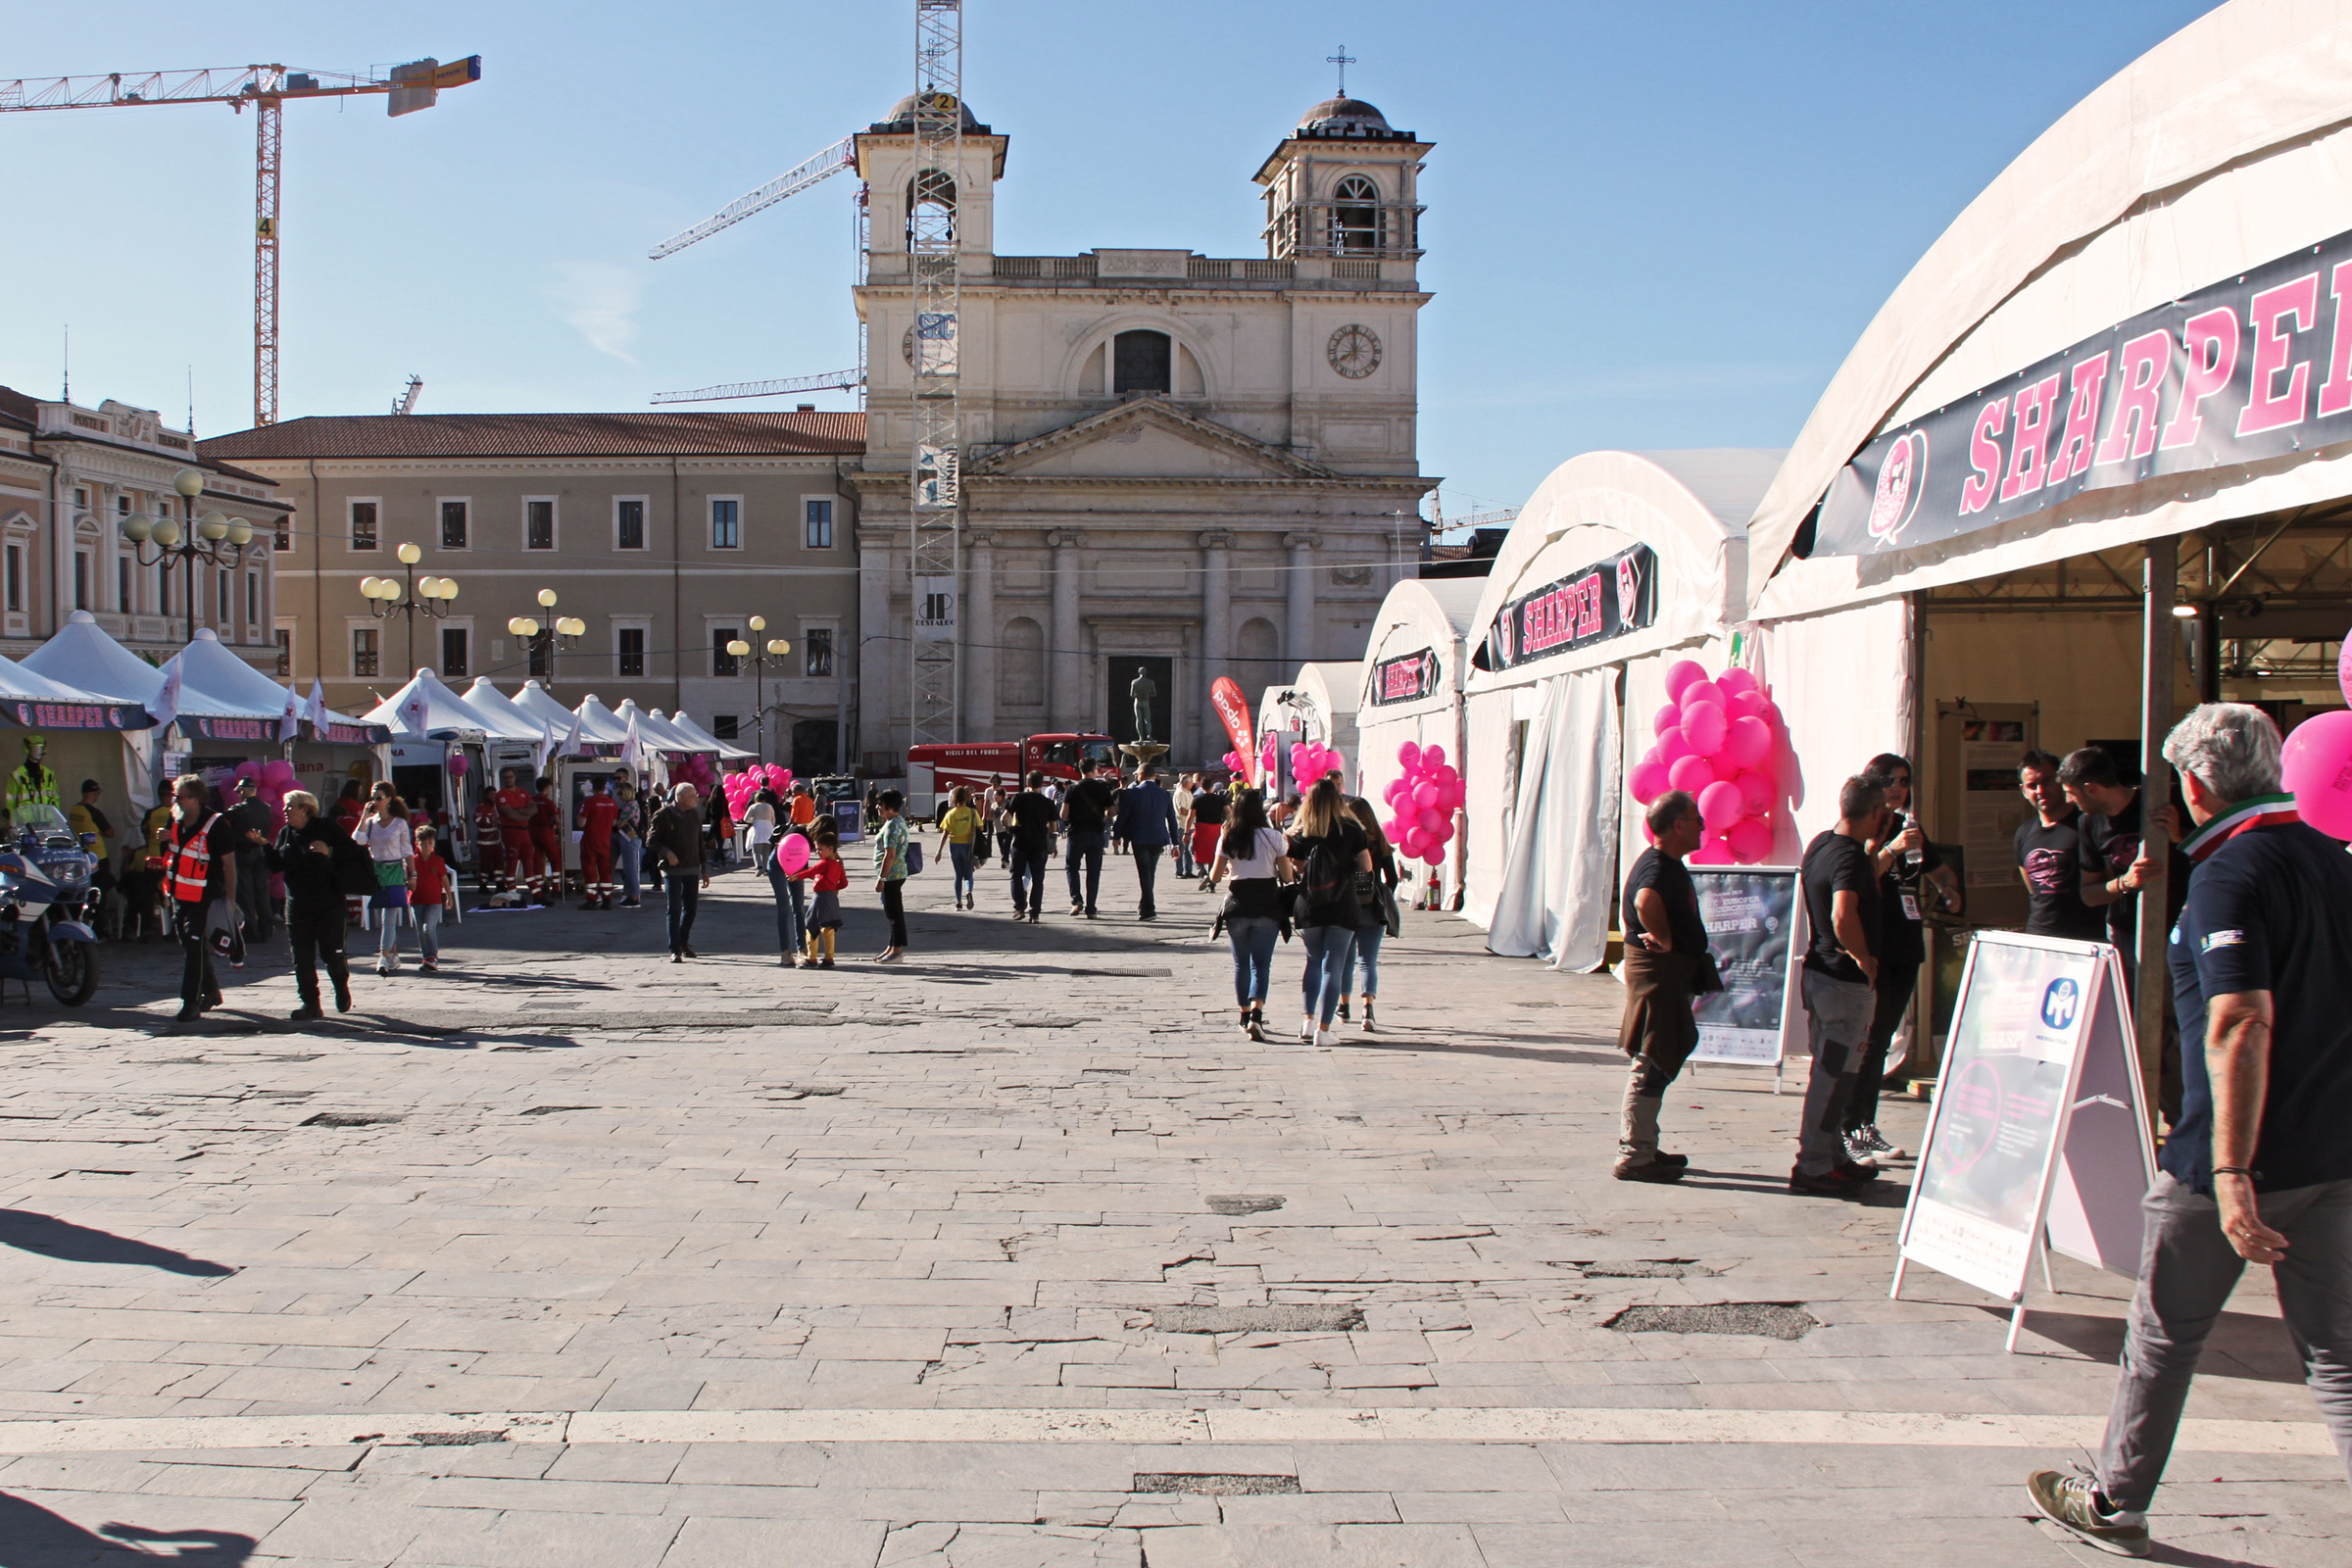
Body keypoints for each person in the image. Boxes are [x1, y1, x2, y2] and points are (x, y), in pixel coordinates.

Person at [2028, 703, 2352, 1558]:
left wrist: (2235, 1171)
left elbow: (2240, 1020)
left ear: (2199, 784)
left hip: (2230, 1161)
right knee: (2337, 1357)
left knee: (2163, 1338)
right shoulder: (2333, 859)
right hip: (2332, 1148)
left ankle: (2116, 1502)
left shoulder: (2230, 874)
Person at [1845, 754, 1965, 1167]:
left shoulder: (1909, 828)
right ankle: (1847, 1129)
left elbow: (1939, 869)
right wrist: (1892, 850)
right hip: (1874, 948)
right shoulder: (1866, 825)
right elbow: (1861, 876)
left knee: (1880, 1042)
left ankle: (1866, 1125)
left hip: (1906, 945)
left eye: (1904, 780)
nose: (1897, 787)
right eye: (1888, 780)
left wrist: (1950, 889)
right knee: (1864, 1041)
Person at [2064, 745, 2190, 1122]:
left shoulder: (2161, 804)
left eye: (2072, 794)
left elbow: (2211, 857)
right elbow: (2088, 893)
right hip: (2125, 938)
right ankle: (2143, 1117)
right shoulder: (2089, 825)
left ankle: (2182, 1116)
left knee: (2174, 1031)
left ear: (2093, 788)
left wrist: (2180, 836)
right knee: (2133, 1029)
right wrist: (2125, 883)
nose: (2070, 803)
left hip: (2175, 932)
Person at [1792, 775, 1891, 1197]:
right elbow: (1841, 914)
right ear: (1873, 813)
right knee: (1834, 1076)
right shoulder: (1848, 859)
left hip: (1820, 975)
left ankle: (1833, 1156)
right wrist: (1862, 956)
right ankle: (1813, 1163)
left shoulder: (1821, 844)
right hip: (1842, 983)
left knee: (1838, 1072)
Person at [1615, 791, 1710, 1184]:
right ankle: (1635, 1154)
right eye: (1696, 819)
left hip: (1668, 977)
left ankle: (1645, 1143)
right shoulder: (1657, 867)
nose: (1702, 826)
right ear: (1677, 826)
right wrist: (1664, 937)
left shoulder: (1665, 863)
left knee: (1659, 1056)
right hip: (1660, 977)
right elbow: (1645, 900)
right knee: (1652, 1060)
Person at [1285, 775, 1373, 1046]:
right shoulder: (1351, 828)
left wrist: (1307, 869)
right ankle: (1324, 1030)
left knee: (1312, 962)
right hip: (1341, 903)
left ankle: (1307, 1022)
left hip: (1309, 904)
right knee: (1332, 967)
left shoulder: (1301, 830)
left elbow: (1291, 868)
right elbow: (1366, 867)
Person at [1210, 789, 1289, 1039]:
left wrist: (1230, 870)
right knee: (1261, 964)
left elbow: (1213, 876)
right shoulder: (1273, 837)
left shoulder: (1228, 837)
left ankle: (1244, 1014)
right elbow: (1287, 876)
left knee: (1240, 964)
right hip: (1267, 901)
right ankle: (1257, 1014)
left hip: (1238, 903)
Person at [160, 773, 238, 1021]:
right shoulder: (175, 819)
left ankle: (190, 1002)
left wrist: (231, 899)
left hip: (205, 894)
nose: (176, 801)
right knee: (189, 944)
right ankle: (212, 991)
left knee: (194, 946)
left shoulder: (216, 823)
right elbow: (172, 855)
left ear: (194, 799)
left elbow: (229, 865)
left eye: (179, 796)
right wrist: (162, 839)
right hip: (178, 894)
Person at [2015, 749, 2103, 941]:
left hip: (2086, 939)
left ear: (2061, 781)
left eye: (2047, 781)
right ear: (2023, 790)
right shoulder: (2023, 833)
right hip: (2040, 937)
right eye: (2032, 785)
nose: (2040, 791)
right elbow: (2034, 890)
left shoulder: (2088, 824)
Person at [1341, 798, 1398, 1030]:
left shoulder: (1348, 840)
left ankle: (1343, 1007)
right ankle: (1368, 1009)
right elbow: (1392, 878)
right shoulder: (1380, 841)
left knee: (1346, 960)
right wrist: (1382, 894)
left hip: (1347, 906)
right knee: (1368, 961)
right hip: (1373, 907)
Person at [649, 782, 710, 960]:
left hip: (692, 867)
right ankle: (674, 948)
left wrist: (704, 868)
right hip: (673, 870)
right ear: (681, 798)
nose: (697, 798)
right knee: (674, 909)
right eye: (693, 796)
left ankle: (683, 940)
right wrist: (666, 852)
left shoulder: (695, 815)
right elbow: (651, 841)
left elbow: (700, 842)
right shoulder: (663, 815)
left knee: (691, 909)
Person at [361, 786, 415, 976]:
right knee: (382, 914)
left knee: (388, 916)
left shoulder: (399, 823)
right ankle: (393, 954)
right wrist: (364, 817)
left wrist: (413, 874)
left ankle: (383, 955)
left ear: (389, 799)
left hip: (394, 870)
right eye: (373, 797)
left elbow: (407, 850)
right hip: (377, 871)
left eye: (379, 797)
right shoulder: (371, 822)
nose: (375, 801)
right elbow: (358, 841)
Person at [1113, 764, 1180, 921]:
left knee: (1144, 872)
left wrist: (1117, 835)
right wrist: (1175, 843)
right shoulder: (1164, 794)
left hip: (1139, 837)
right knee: (1150, 872)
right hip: (1158, 837)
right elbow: (1172, 819)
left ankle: (1149, 909)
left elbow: (1123, 816)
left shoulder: (1133, 793)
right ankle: (1145, 905)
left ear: (1141, 774)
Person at [1061, 759, 1114, 917]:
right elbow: (1113, 811)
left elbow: (1063, 814)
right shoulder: (1102, 787)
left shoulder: (1072, 789)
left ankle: (1076, 899)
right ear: (1094, 770)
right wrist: (1103, 815)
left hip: (1076, 834)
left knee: (1072, 868)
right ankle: (1091, 908)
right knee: (1093, 871)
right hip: (1096, 834)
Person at [225, 776, 274, 944]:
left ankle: (251, 932)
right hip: (260, 852)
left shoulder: (238, 809)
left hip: (243, 854)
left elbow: (222, 823)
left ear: (242, 791)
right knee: (262, 893)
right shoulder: (266, 808)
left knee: (246, 894)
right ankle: (266, 930)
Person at [1004, 771, 1056, 922]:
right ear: (1041, 784)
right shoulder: (1048, 803)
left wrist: (1011, 830)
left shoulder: (1019, 798)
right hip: (1039, 844)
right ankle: (1035, 912)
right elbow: (1053, 827)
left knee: (1016, 875)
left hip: (1020, 842)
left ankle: (1019, 908)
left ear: (1028, 783)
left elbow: (1004, 818)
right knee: (1038, 879)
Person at [768, 813, 811, 966]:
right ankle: (785, 951)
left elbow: (803, 864)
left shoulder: (811, 839)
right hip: (777, 863)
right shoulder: (799, 832)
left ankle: (802, 949)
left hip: (796, 865)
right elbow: (784, 850)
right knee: (784, 906)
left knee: (798, 906)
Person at [871, 788, 908, 961]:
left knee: (893, 913)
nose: (878, 807)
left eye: (881, 804)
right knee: (893, 912)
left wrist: (882, 878)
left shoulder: (892, 826)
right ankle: (892, 946)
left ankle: (897, 949)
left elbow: (890, 854)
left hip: (892, 875)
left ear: (890, 806)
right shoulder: (898, 821)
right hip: (897, 872)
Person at [410, 824, 453, 972]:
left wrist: (449, 896)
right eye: (423, 843)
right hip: (417, 900)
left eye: (430, 843)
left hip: (434, 901)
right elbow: (407, 878)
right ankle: (426, 957)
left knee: (428, 927)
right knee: (420, 930)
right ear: (417, 843)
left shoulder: (438, 861)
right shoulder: (413, 861)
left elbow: (444, 879)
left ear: (434, 843)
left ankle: (433, 956)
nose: (427, 846)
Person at [806, 826, 847, 967]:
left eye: (819, 849)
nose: (817, 852)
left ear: (830, 849)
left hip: (819, 898)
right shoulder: (838, 864)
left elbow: (810, 871)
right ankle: (829, 958)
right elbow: (844, 882)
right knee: (828, 928)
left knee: (811, 926)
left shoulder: (824, 863)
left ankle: (812, 958)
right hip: (832, 898)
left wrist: (795, 876)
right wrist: (833, 887)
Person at [494, 768, 536, 905]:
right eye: (506, 777)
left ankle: (537, 893)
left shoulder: (522, 792)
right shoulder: (501, 795)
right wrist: (525, 814)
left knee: (529, 861)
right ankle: (511, 894)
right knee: (512, 862)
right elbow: (510, 815)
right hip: (511, 832)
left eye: (511, 777)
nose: (509, 779)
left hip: (525, 832)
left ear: (515, 777)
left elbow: (534, 809)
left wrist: (520, 811)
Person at [577, 776, 619, 909]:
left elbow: (581, 823)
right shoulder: (612, 803)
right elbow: (613, 823)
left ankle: (592, 899)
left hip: (590, 840)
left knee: (590, 870)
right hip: (605, 840)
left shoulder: (588, 803)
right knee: (605, 870)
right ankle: (607, 899)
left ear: (593, 788)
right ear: (605, 787)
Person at [937, 786, 981, 910]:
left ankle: (959, 902)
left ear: (954, 798)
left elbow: (944, 833)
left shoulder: (950, 814)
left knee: (958, 874)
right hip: (968, 845)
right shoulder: (971, 812)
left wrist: (939, 851)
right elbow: (981, 827)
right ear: (966, 798)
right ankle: (968, 891)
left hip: (954, 845)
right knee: (968, 874)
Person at [529, 776, 564, 904]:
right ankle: (556, 887)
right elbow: (557, 820)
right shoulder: (549, 803)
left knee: (537, 860)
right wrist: (561, 836)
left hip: (532, 832)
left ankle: (540, 887)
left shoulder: (531, 800)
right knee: (555, 859)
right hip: (546, 832)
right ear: (547, 788)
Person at [6, 734, 59, 819]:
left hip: (48, 824)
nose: (39, 752)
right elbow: (10, 804)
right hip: (26, 825)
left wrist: (56, 821)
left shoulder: (49, 774)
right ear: (27, 749)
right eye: (36, 748)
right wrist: (12, 825)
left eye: (41, 748)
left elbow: (56, 801)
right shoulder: (16, 776)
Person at [1191, 781, 1229, 893]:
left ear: (1202, 787)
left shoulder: (1197, 799)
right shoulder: (1220, 799)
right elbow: (1230, 813)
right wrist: (1227, 824)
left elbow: (1190, 816)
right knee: (1214, 854)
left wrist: (1186, 832)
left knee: (1195, 851)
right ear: (1213, 787)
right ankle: (1211, 883)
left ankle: (1202, 873)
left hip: (1201, 828)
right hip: (1216, 829)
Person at [613, 778, 646, 908]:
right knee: (630, 868)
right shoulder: (635, 804)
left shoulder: (629, 806)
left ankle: (634, 896)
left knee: (630, 868)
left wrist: (615, 821)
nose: (619, 796)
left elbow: (619, 824)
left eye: (620, 793)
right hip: (632, 838)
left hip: (629, 838)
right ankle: (633, 895)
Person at [1173, 772, 1198, 878]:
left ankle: (1188, 870)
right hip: (1182, 824)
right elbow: (1182, 810)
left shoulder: (1188, 792)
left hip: (1190, 824)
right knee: (1181, 849)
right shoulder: (1180, 793)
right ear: (1186, 783)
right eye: (1191, 782)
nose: (1192, 784)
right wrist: (1193, 813)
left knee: (1188, 850)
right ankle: (1179, 871)